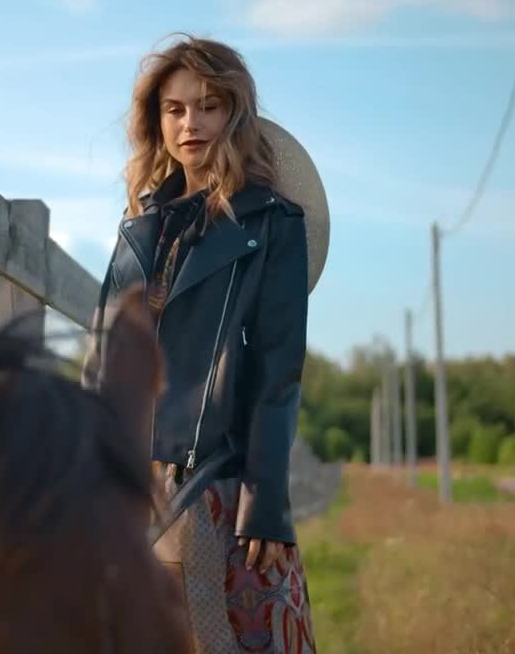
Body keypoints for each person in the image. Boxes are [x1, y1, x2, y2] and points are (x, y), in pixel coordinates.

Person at [81, 33, 325, 653]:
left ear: (235, 114)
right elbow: (102, 363)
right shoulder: (138, 229)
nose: (192, 123)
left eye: (210, 105)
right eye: (175, 109)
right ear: (157, 120)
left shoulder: (272, 225)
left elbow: (278, 374)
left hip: (218, 487)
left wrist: (267, 502)